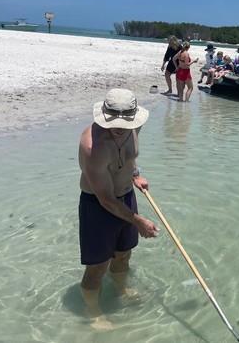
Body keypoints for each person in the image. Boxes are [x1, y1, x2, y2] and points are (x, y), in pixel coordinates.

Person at [78, 88, 159, 330]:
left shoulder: (134, 126)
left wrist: (135, 174)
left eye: (125, 123)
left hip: (126, 195)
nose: (119, 128)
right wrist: (138, 221)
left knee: (125, 252)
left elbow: (130, 156)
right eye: (114, 122)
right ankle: (93, 313)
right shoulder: (93, 147)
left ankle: (121, 288)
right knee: (97, 266)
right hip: (98, 205)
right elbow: (105, 199)